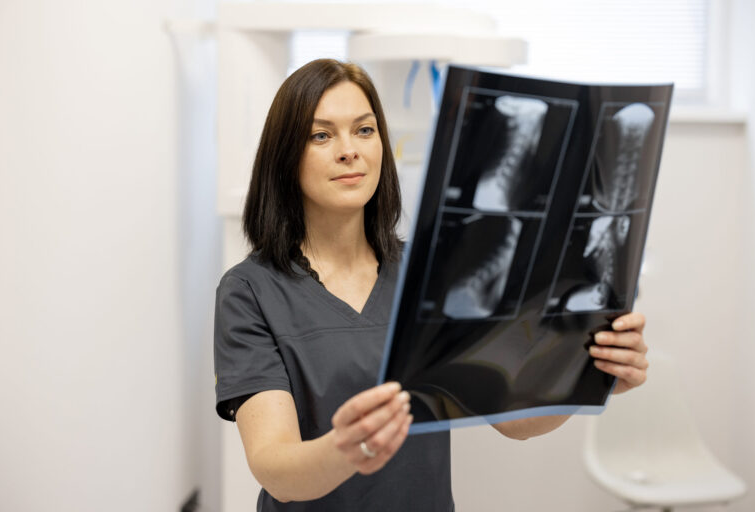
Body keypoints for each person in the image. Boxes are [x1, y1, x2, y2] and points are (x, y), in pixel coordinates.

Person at [213, 59, 649, 511]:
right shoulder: (250, 291)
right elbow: (274, 467)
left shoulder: (429, 274)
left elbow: (514, 422)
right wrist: (346, 448)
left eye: (364, 130)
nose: (349, 150)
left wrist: (595, 375)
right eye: (321, 135)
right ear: (285, 156)